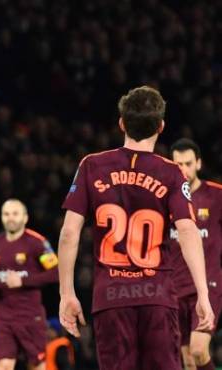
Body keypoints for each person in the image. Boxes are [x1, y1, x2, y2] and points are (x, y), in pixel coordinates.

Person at [57, 86, 215, 370]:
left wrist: (66, 293)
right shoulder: (171, 171)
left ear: (121, 123)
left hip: (110, 298)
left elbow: (69, 233)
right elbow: (189, 231)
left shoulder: (92, 165)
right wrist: (203, 294)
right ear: (161, 126)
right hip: (158, 296)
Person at [0, 199, 58, 370]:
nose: (10, 218)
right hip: (3, 317)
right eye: (6, 214)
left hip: (30, 316)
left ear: (25, 218)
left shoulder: (36, 242)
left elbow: (56, 272)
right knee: (4, 365)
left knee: (37, 365)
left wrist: (23, 280)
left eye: (15, 214)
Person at [169, 138, 222, 370]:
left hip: (207, 286)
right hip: (174, 289)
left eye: (188, 163)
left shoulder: (217, 196)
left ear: (198, 163)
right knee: (188, 361)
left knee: (199, 351)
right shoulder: (165, 198)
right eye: (178, 164)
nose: (183, 169)